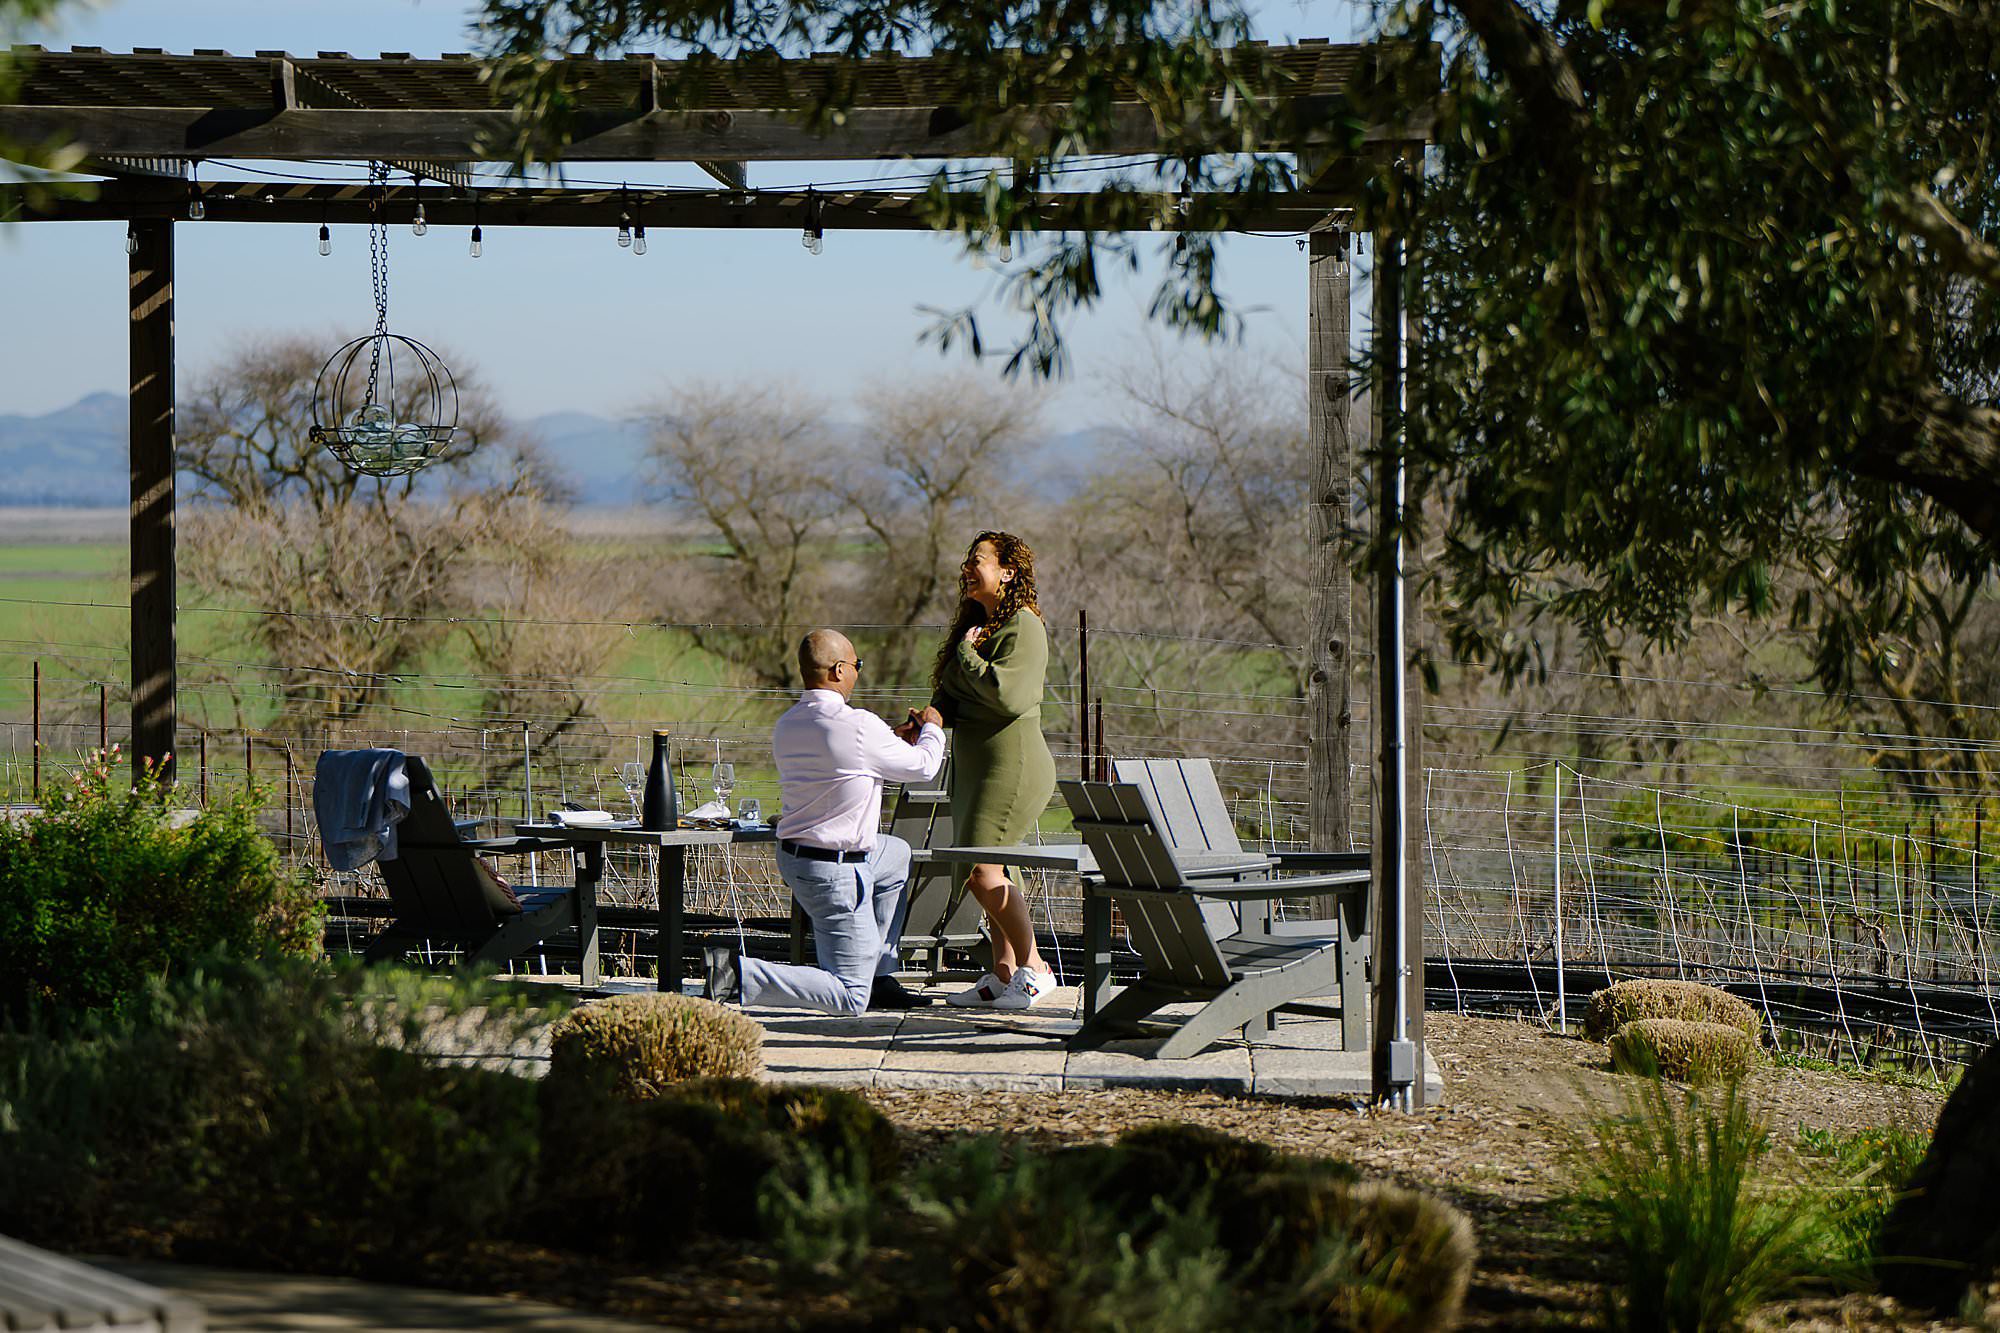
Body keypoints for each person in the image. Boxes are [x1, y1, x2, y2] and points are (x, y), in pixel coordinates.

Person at [701, 629, 945, 1015]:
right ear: (837, 670)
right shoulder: (859, 726)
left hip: (799, 857)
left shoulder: (789, 724)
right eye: (856, 666)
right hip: (835, 871)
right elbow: (924, 767)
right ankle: (739, 975)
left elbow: (845, 764)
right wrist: (932, 726)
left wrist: (891, 740)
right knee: (850, 997)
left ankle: (877, 972)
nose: (858, 674)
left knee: (896, 854)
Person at [922, 531, 1060, 1010]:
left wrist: (965, 651)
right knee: (984, 870)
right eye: (967, 560)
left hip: (1011, 767)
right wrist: (928, 718)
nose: (967, 568)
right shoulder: (981, 625)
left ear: (1008, 571)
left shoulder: (1022, 626)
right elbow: (957, 696)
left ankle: (1036, 968)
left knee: (982, 871)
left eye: (977, 560)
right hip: (975, 768)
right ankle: (1004, 973)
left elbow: (1007, 697)